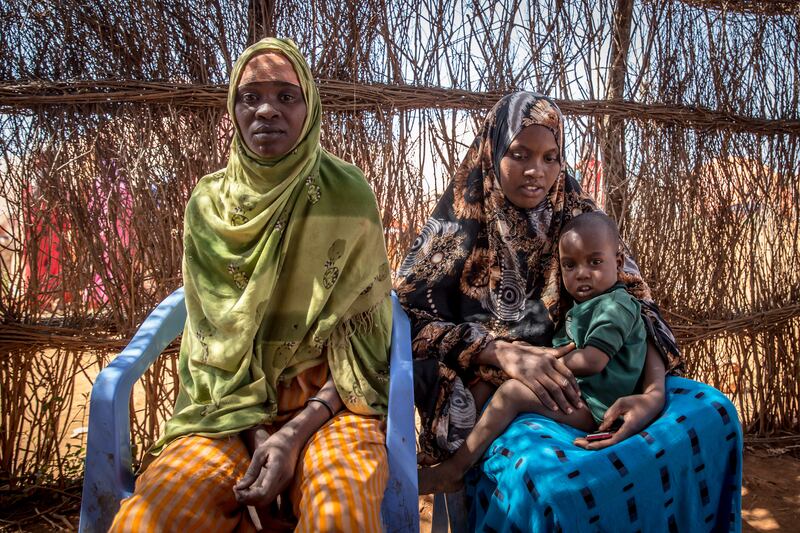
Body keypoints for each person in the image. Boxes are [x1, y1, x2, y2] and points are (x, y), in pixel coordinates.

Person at [396, 92, 742, 531]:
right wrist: (498, 352)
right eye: (519, 154)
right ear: (492, 150)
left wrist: (652, 395)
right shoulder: (459, 225)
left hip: (596, 381)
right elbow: (405, 321)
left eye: (550, 157)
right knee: (551, 484)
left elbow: (639, 308)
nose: (536, 171)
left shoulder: (579, 215)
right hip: (501, 394)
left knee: (714, 413)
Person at [110, 38, 393, 532]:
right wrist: (260, 434)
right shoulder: (209, 205)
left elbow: (363, 338)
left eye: (286, 96)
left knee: (340, 517)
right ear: (233, 108)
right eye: (250, 97)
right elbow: (212, 340)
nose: (267, 110)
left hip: (330, 411)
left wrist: (294, 434)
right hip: (225, 413)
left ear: (310, 106)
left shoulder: (347, 196)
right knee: (150, 521)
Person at [416, 210, 647, 495]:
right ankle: (451, 448)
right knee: (489, 379)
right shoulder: (592, 302)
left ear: (619, 263)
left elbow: (593, 360)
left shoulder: (616, 306)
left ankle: (455, 470)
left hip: (596, 407)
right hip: (581, 392)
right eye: (570, 266)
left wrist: (545, 358)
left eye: (595, 262)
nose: (582, 274)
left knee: (512, 393)